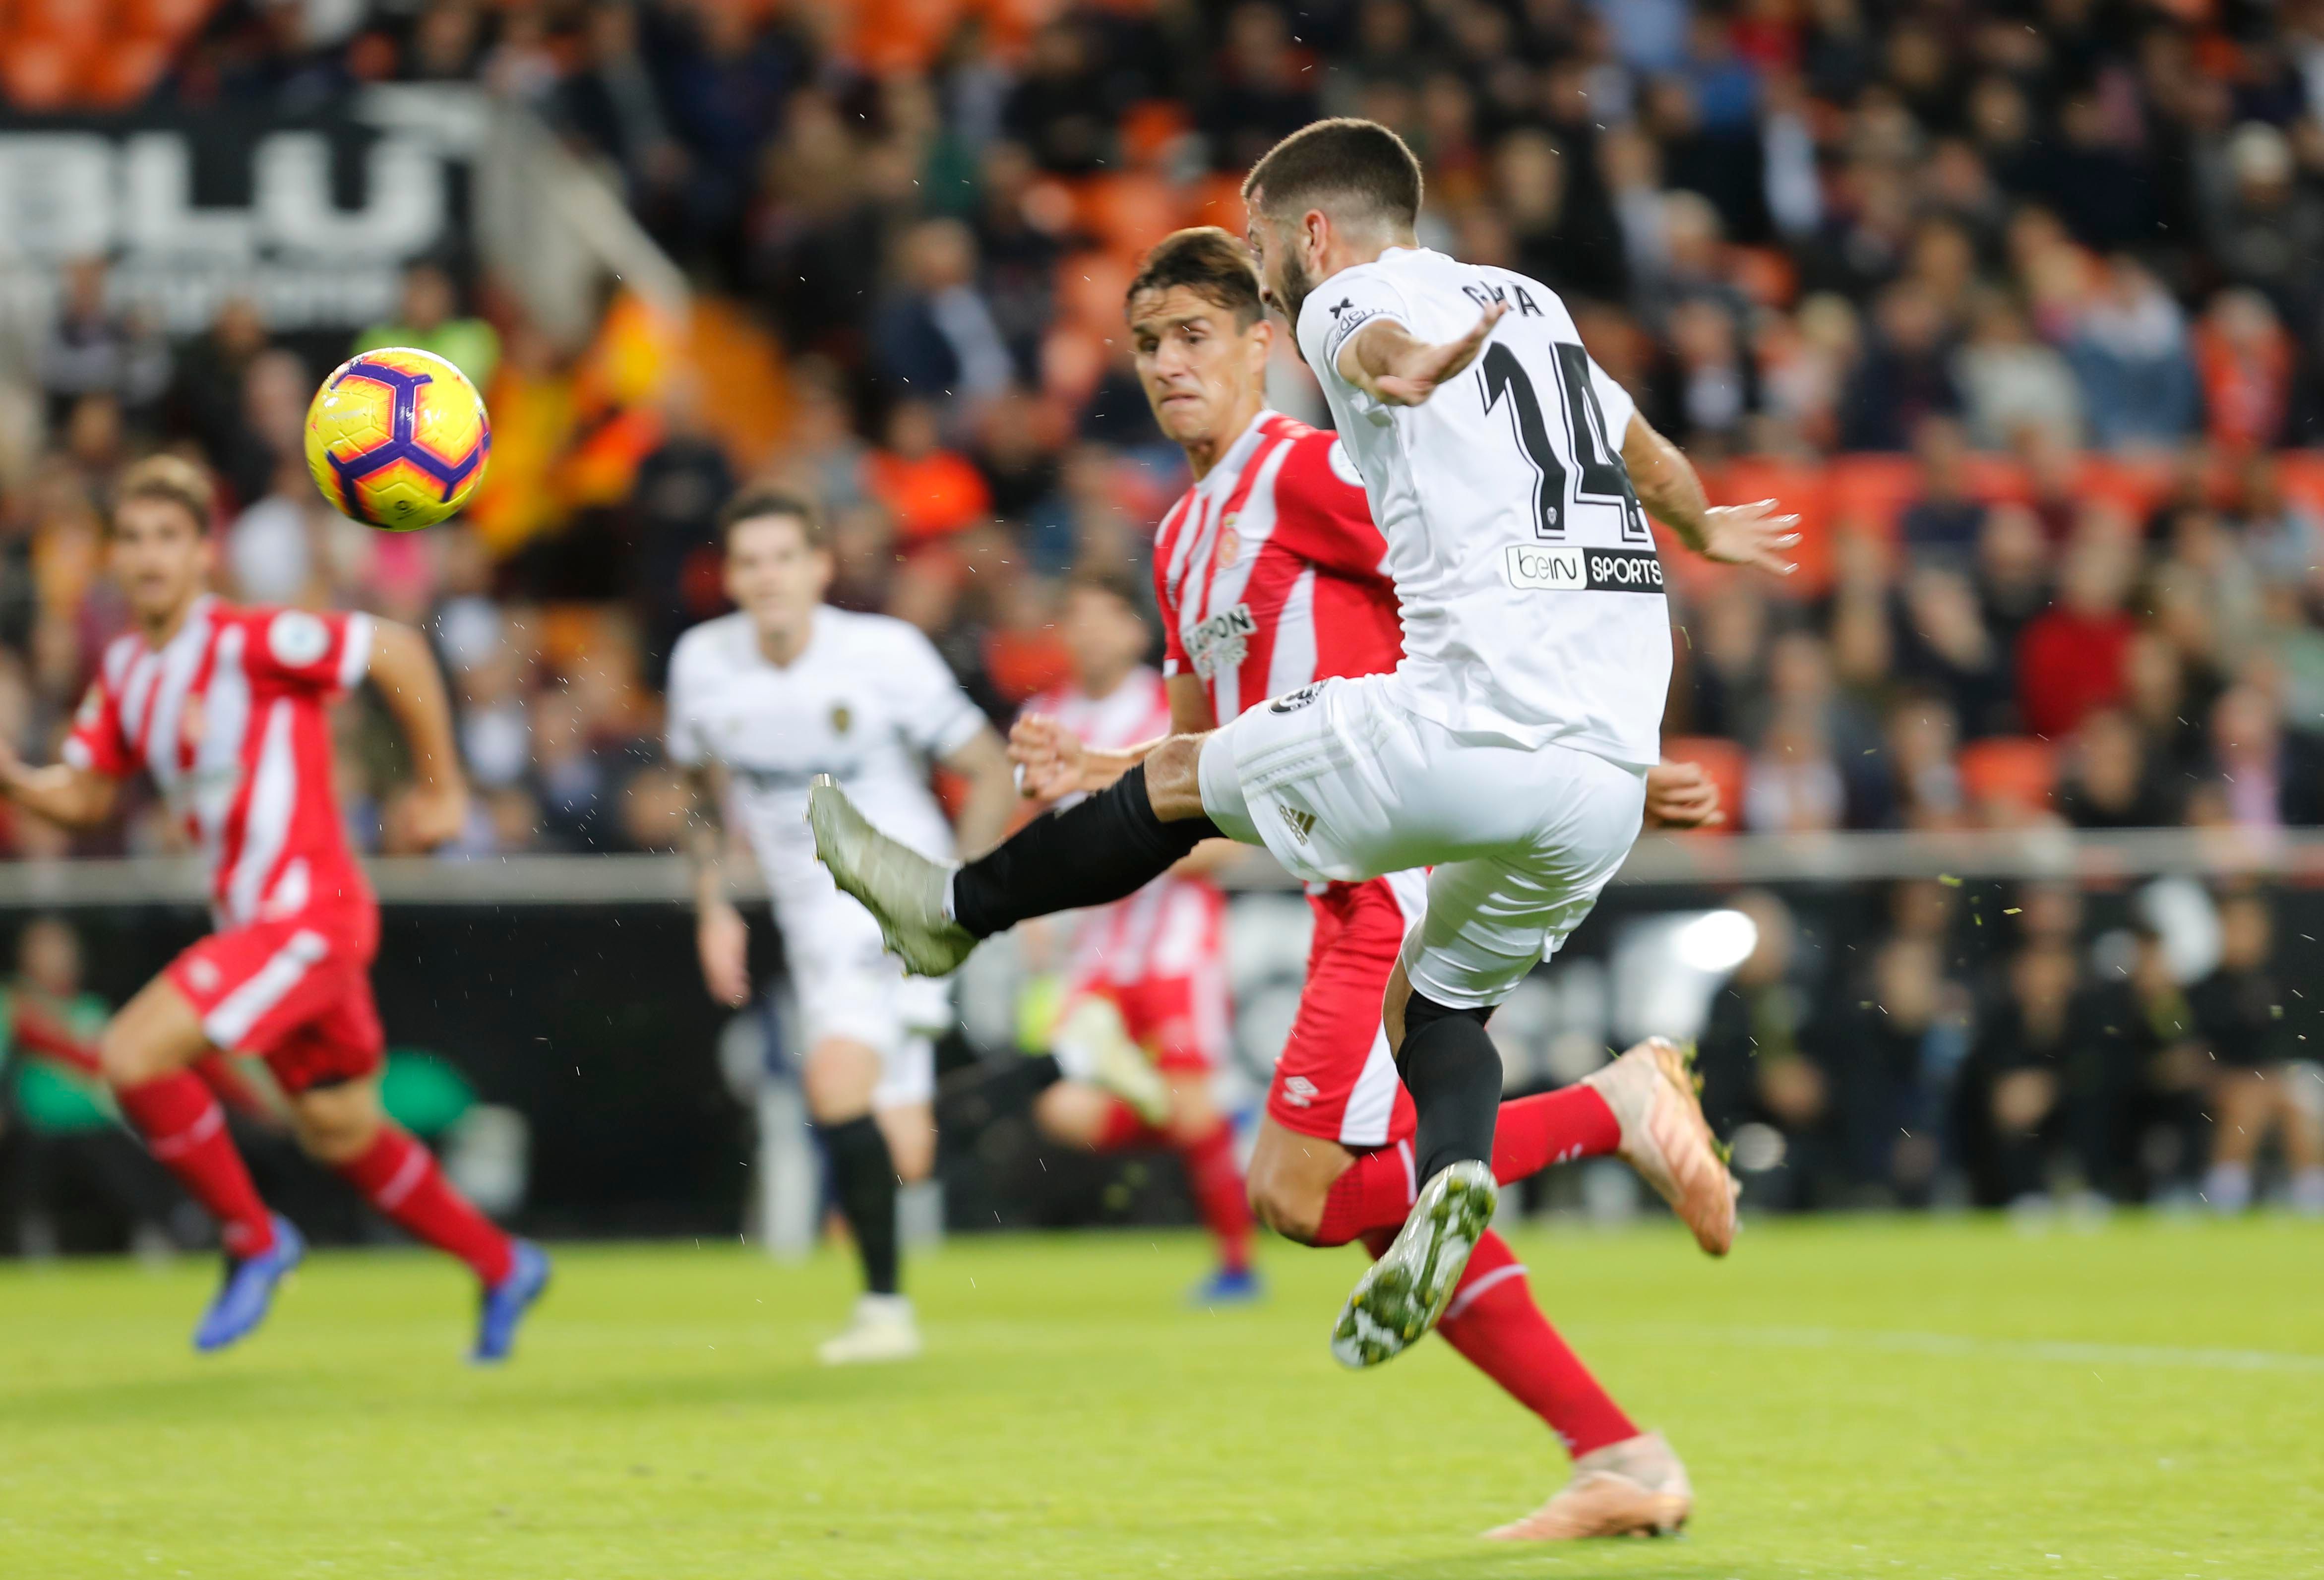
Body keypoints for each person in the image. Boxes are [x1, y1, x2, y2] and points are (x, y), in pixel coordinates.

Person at [813, 116, 1787, 1373]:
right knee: (1439, 1010)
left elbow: (1371, 351)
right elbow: (1632, 442)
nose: (1264, 269)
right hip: (1588, 771)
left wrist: (1397, 369)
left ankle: (951, 911)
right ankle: (1473, 1173)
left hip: (1452, 748)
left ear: (1313, 233)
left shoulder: (1348, 302)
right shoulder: (1533, 306)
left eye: (1265, 248)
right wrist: (1704, 532)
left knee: (1295, 1104)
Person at [920, 224, 1731, 1539]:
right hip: (1339, 870)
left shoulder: (1311, 474)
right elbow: (1200, 751)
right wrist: (1104, 769)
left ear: (1258, 344)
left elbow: (1481, 608)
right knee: (1376, 1219)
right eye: (1144, 345)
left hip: (1391, 865)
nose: (1167, 365)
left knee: (1297, 1195)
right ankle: (1621, 1459)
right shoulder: (1182, 537)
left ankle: (1612, 1106)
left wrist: (1604, 761)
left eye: (1192, 337)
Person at [0, 456, 549, 1357]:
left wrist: (442, 791)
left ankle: (254, 1239)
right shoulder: (129, 672)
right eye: (131, 538)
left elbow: (399, 650)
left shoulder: (252, 640)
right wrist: (19, 783)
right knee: (340, 1131)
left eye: (167, 537)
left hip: (306, 915)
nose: (147, 556)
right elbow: (90, 794)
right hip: (265, 930)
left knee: (132, 1051)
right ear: (111, 555)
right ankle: (502, 1263)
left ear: (204, 551)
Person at [668, 487, 1017, 1365]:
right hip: (805, 917)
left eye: (784, 558)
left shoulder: (883, 654)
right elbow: (698, 796)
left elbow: (986, 767)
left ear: (820, 567)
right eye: (750, 562)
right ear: (731, 575)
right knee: (900, 1148)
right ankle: (1072, 1061)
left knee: (833, 1085)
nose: (768, 578)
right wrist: (714, 908)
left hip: (897, 905)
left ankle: (883, 1313)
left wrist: (962, 892)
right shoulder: (702, 664)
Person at [1013, 569, 1257, 1303]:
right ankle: (1216, 1123)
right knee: (1065, 1111)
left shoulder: (1172, 708)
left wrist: (1133, 849)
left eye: (1103, 616)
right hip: (1095, 952)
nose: (1087, 632)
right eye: (1074, 617)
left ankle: (1238, 1267)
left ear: (1132, 628)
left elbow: (1231, 838)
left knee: (1180, 1103)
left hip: (1175, 944)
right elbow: (1035, 835)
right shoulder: (1042, 715)